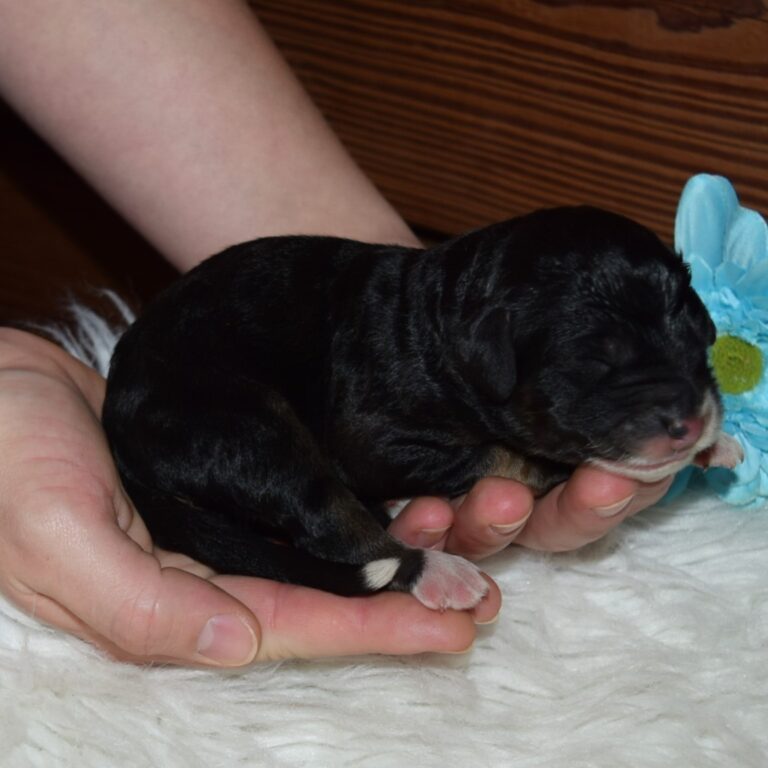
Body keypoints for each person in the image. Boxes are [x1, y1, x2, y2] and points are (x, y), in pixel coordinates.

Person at [0, 0, 672, 666]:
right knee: (288, 470)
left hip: (251, 354)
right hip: (194, 399)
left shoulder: (422, 341)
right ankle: (368, 556)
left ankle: (364, 549)